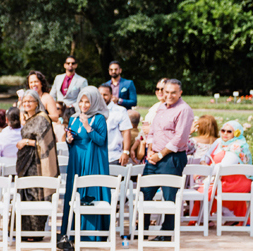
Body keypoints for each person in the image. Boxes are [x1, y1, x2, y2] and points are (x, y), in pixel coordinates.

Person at [140, 79, 194, 239]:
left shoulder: (184, 110)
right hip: (153, 157)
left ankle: (166, 233)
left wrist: (160, 154)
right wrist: (150, 150)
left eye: (173, 92)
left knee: (170, 197)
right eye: (166, 92)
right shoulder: (161, 107)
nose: (169, 95)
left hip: (171, 158)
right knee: (145, 193)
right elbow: (153, 131)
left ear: (180, 93)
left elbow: (180, 138)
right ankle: (143, 230)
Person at [60, 86, 110, 249]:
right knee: (74, 194)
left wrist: (88, 127)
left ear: (94, 102)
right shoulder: (74, 118)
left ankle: (92, 234)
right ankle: (70, 232)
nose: (83, 105)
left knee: (90, 194)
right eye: (81, 101)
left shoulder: (99, 119)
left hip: (91, 161)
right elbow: (72, 141)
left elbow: (101, 141)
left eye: (87, 101)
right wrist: (68, 139)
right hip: (76, 161)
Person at [15, 90, 60, 241]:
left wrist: (25, 142)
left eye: (30, 101)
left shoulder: (42, 119)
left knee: (35, 195)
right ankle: (25, 231)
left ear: (37, 103)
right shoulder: (30, 118)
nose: (26, 104)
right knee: (25, 195)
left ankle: (35, 232)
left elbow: (45, 143)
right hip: (26, 162)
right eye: (24, 102)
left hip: (37, 164)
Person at [192, 120, 252, 220]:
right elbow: (206, 155)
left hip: (236, 181)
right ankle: (224, 217)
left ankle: (205, 218)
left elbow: (222, 167)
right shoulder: (219, 142)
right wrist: (203, 163)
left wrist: (203, 171)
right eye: (223, 130)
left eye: (229, 131)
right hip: (222, 179)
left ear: (236, 133)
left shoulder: (236, 147)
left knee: (207, 189)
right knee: (208, 186)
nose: (225, 133)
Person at [98, 85, 132, 166]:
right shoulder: (93, 110)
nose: (102, 97)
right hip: (96, 156)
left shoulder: (120, 111)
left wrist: (126, 152)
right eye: (100, 95)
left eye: (105, 95)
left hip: (114, 157)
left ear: (111, 95)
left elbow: (126, 131)